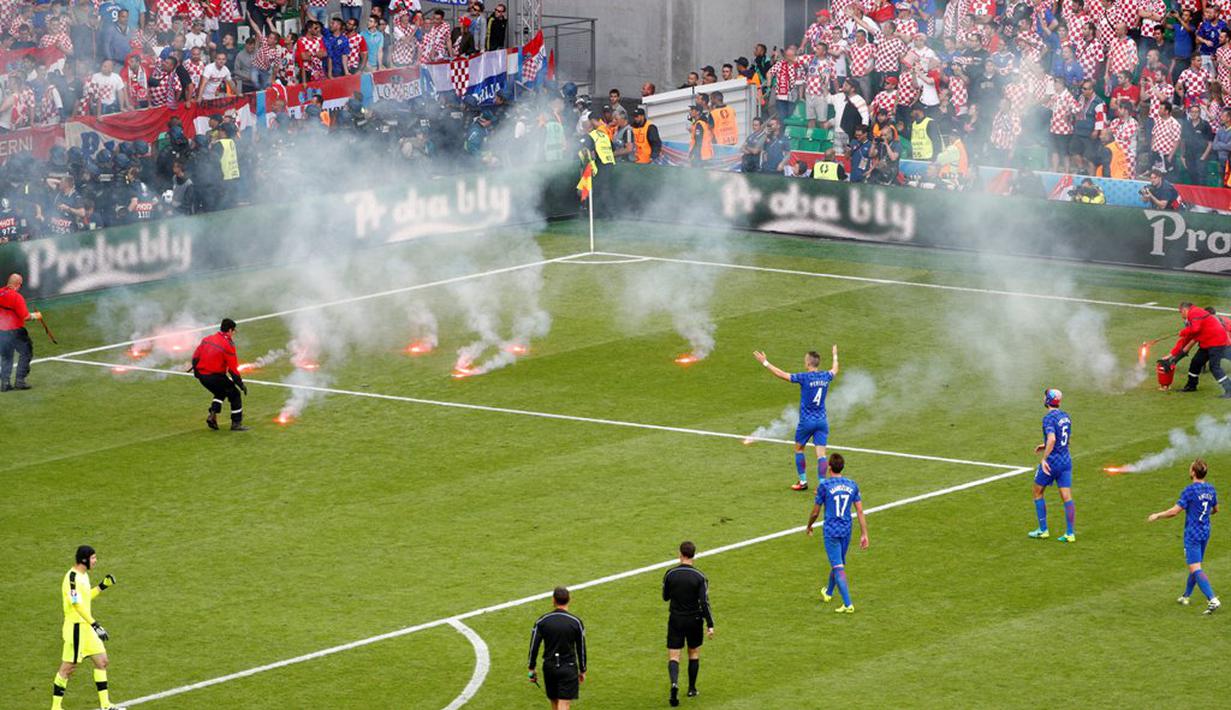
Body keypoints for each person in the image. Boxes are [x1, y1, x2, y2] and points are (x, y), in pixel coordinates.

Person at [753, 346, 839, 491]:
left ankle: (803, 481)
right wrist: (835, 355)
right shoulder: (826, 376)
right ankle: (823, 484)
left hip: (807, 422)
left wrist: (765, 362)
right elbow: (835, 369)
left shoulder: (804, 378)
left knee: (799, 449)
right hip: (822, 421)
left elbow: (782, 374)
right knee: (821, 454)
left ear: (808, 363)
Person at [1148, 459, 1220, 615]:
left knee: (1195, 568)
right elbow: (1215, 510)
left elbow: (1174, 512)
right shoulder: (1211, 489)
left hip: (1193, 534)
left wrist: (1157, 515)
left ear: (1193, 472)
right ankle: (1186, 596)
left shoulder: (1190, 490)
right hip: (1205, 531)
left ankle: (1212, 599)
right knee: (1195, 565)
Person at [52, 545, 119, 710]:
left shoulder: (84, 576)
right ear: (84, 559)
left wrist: (102, 586)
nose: (95, 561)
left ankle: (105, 705)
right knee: (68, 668)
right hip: (76, 628)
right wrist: (95, 624)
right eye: (93, 558)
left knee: (102, 661)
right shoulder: (72, 578)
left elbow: (86, 597)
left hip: (86, 628)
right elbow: (77, 605)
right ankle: (55, 708)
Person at [805, 453, 869, 613]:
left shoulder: (824, 486)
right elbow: (860, 511)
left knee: (838, 566)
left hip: (831, 531)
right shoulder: (852, 485)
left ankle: (848, 604)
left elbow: (815, 512)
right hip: (847, 530)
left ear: (829, 467)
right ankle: (828, 593)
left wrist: (809, 525)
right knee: (838, 562)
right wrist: (864, 534)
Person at [662, 541, 714, 707]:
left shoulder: (670, 574)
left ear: (680, 554)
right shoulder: (700, 577)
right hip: (694, 620)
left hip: (676, 618)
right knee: (693, 653)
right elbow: (704, 602)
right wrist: (710, 624)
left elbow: (665, 597)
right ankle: (692, 688)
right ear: (694, 554)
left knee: (674, 655)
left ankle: (674, 684)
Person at [527, 586, 586, 710]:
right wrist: (583, 669)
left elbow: (534, 646)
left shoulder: (542, 621)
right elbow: (581, 648)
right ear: (569, 599)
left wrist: (531, 668)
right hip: (568, 667)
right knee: (564, 704)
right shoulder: (576, 622)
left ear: (553, 600)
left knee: (554, 702)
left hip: (550, 667)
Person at [1028, 389, 1076, 542]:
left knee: (1037, 491)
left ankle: (1043, 530)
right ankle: (1070, 533)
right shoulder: (1066, 417)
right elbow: (1065, 439)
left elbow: (1053, 439)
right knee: (1067, 496)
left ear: (1048, 400)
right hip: (1066, 460)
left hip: (1052, 462)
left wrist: (1044, 458)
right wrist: (1045, 445)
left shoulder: (1048, 418)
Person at [1161, 302, 1231, 396]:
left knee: (1214, 367)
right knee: (1196, 362)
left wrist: (1183, 331)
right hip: (1207, 343)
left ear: (1185, 310)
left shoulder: (1194, 312)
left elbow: (1195, 329)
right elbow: (1186, 340)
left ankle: (1229, 389)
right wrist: (1171, 355)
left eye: (1180, 312)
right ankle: (1191, 386)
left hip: (1217, 343)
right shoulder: (1194, 318)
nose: (1181, 316)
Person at [190, 318, 249, 431]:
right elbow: (233, 370)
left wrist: (197, 373)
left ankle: (212, 415)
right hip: (215, 376)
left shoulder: (207, 339)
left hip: (203, 376)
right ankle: (236, 423)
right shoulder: (228, 345)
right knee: (235, 394)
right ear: (230, 330)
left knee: (221, 392)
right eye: (234, 331)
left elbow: (195, 357)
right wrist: (241, 385)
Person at [0, 273, 43, 391]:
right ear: (18, 284)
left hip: (1, 332)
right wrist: (36, 316)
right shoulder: (16, 297)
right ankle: (20, 381)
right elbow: (26, 317)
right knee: (26, 352)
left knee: (6, 357)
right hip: (16, 332)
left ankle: (5, 383)